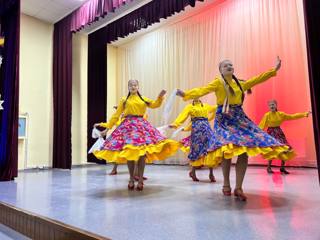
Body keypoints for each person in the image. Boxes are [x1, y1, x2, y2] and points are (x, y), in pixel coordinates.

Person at [176, 57, 293, 201]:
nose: (229, 66)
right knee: (227, 150)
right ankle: (226, 184)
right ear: (220, 70)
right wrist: (186, 94)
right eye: (225, 65)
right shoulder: (218, 82)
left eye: (231, 64)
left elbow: (257, 79)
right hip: (223, 119)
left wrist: (274, 70)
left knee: (244, 150)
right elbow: (202, 90)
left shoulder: (241, 83)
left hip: (238, 117)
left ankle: (238, 187)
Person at [93, 79, 179, 191]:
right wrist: (107, 128)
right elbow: (116, 115)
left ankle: (140, 180)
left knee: (142, 154)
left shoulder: (143, 98)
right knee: (130, 153)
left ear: (138, 87)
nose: (133, 87)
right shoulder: (124, 100)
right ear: (128, 87)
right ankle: (131, 179)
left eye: (135, 85)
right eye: (131, 85)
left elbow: (154, 105)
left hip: (141, 126)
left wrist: (160, 97)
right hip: (128, 127)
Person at [170, 99, 218, 182]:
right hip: (197, 131)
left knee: (210, 149)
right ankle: (193, 171)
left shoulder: (206, 106)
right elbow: (183, 116)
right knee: (196, 150)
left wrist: (224, 102)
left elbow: (215, 108)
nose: (197, 97)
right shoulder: (190, 107)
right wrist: (176, 124)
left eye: (198, 95)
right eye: (195, 95)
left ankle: (211, 173)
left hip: (207, 129)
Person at [259, 99, 311, 174]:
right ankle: (269, 167)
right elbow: (261, 125)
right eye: (270, 105)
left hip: (279, 133)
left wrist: (305, 114)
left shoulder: (281, 114)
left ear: (276, 105)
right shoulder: (267, 115)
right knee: (272, 150)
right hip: (271, 133)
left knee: (285, 148)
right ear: (268, 107)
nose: (271, 106)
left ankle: (282, 167)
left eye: (273, 104)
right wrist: (256, 133)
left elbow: (292, 116)